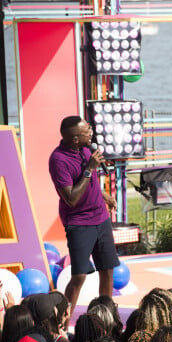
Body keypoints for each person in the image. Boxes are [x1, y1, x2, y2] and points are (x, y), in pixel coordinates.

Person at [48, 116, 120, 326]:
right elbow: (70, 198)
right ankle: (61, 322)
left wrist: (105, 197)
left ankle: (105, 319)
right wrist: (89, 167)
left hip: (101, 218)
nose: (91, 133)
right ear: (75, 139)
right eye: (86, 131)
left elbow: (91, 183)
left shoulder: (86, 149)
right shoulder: (58, 160)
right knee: (79, 276)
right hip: (79, 223)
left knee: (107, 269)